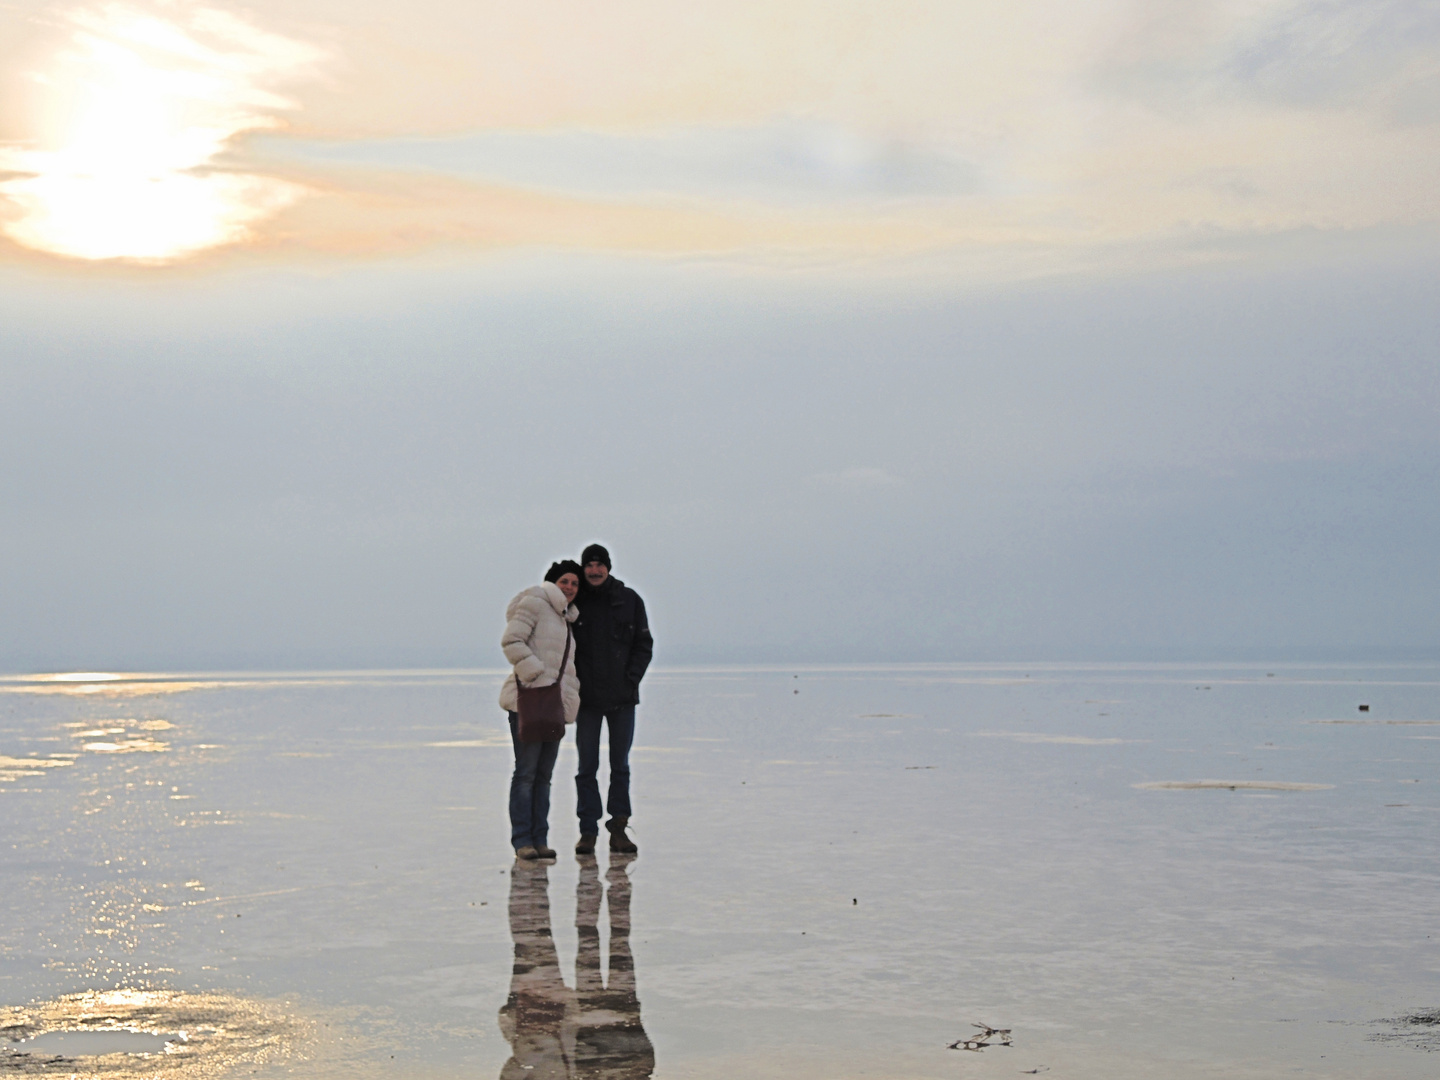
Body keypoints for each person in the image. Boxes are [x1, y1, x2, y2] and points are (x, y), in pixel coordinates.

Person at [572, 543, 653, 855]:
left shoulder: (629, 600)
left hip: (622, 700)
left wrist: (630, 680)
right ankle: (587, 832)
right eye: (589, 566)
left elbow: (643, 645)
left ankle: (618, 828)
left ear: (608, 567)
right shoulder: (575, 601)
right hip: (587, 701)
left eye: (599, 565)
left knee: (620, 766)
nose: (594, 571)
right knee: (586, 767)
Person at [500, 560, 581, 860]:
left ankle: (540, 839)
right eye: (565, 581)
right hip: (528, 702)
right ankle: (522, 840)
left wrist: (567, 697)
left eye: (574, 583)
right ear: (553, 582)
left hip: (552, 705)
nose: (570, 588)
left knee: (544, 776)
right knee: (526, 774)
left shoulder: (566, 618)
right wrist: (536, 675)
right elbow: (511, 640)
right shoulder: (535, 602)